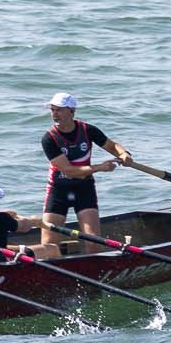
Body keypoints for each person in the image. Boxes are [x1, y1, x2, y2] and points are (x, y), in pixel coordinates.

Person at [40, 91, 133, 250]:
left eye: (59, 110)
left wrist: (124, 154)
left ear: (71, 111)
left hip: (84, 188)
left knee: (94, 243)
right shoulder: (49, 138)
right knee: (48, 246)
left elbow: (112, 146)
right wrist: (100, 168)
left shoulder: (88, 130)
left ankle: (94, 265)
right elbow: (68, 171)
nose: (55, 114)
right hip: (58, 190)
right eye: (53, 110)